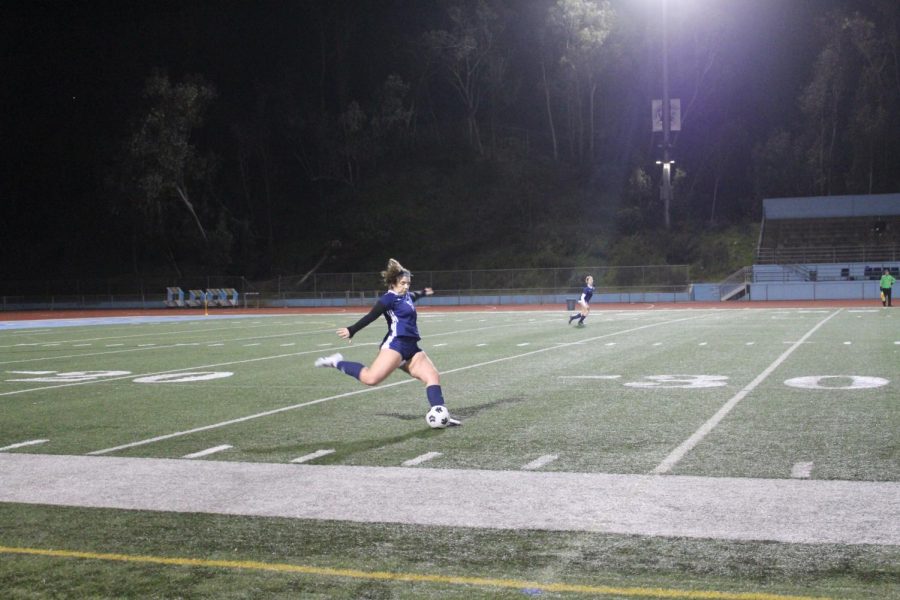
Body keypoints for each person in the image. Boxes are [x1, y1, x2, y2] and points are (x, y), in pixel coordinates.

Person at [315, 258, 460, 426]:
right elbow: (371, 316)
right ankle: (336, 362)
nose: (406, 286)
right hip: (395, 345)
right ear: (393, 283)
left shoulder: (407, 296)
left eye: (408, 283)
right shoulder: (388, 299)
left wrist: (423, 292)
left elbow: (414, 295)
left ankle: (441, 415)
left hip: (412, 347)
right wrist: (351, 330)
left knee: (433, 376)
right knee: (371, 379)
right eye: (403, 283)